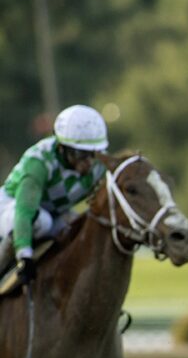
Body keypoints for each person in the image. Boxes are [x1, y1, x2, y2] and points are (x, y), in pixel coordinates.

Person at [0, 104, 109, 286]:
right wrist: (25, 256)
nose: (89, 163)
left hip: (52, 213)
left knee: (82, 228)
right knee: (41, 221)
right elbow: (25, 212)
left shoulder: (99, 165)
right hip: (13, 209)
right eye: (81, 154)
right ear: (62, 147)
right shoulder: (39, 162)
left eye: (93, 153)